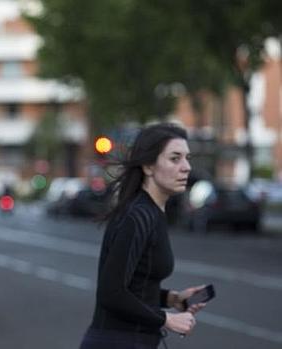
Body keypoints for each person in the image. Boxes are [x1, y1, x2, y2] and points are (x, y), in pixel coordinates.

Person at [80, 123, 207, 349]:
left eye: (187, 158)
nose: (186, 167)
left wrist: (173, 299)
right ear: (148, 166)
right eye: (175, 158)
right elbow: (111, 293)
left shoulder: (152, 212)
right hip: (117, 342)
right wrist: (167, 319)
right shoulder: (137, 217)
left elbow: (135, 285)